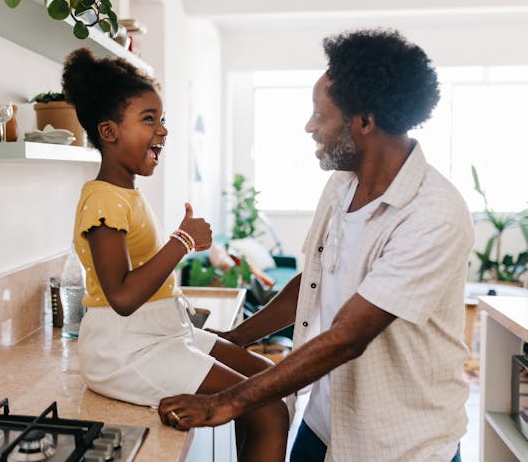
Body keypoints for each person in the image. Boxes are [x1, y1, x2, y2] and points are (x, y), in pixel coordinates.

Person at [158, 29, 473, 462]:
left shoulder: (433, 213)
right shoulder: (341, 185)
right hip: (326, 422)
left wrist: (227, 402)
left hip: (399, 445)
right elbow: (314, 282)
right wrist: (236, 337)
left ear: (364, 121)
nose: (309, 126)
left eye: (319, 114)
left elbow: (349, 337)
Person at [62, 48, 289, 461]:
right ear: (109, 132)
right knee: (268, 411)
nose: (163, 130)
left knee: (270, 382)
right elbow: (123, 297)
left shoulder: (123, 193)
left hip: (161, 334)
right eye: (149, 119)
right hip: (125, 350)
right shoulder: (102, 201)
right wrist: (182, 241)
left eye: (162, 119)